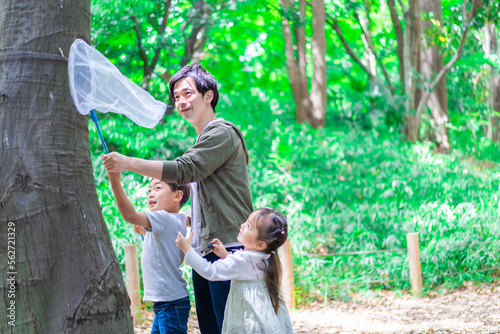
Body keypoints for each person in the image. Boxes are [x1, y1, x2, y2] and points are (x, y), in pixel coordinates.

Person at [102, 64, 253, 333]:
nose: (181, 102)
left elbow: (184, 170)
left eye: (188, 93)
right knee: (213, 328)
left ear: (209, 96)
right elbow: (200, 204)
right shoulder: (201, 142)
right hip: (205, 253)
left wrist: (128, 163)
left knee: (231, 327)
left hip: (228, 249)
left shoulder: (221, 133)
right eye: (176, 98)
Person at [176, 208, 294, 334]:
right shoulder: (267, 257)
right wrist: (226, 256)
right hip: (261, 321)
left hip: (249, 320)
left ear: (260, 244)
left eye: (249, 226)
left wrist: (187, 250)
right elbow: (244, 269)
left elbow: (210, 271)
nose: (242, 225)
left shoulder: (243, 259)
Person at [106, 172, 191, 334]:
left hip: (169, 303)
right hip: (167, 302)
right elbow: (163, 251)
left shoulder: (163, 218)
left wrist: (115, 182)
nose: (151, 193)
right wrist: (146, 234)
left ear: (177, 195)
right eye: (149, 190)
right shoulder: (178, 219)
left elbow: (130, 215)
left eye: (158, 187)